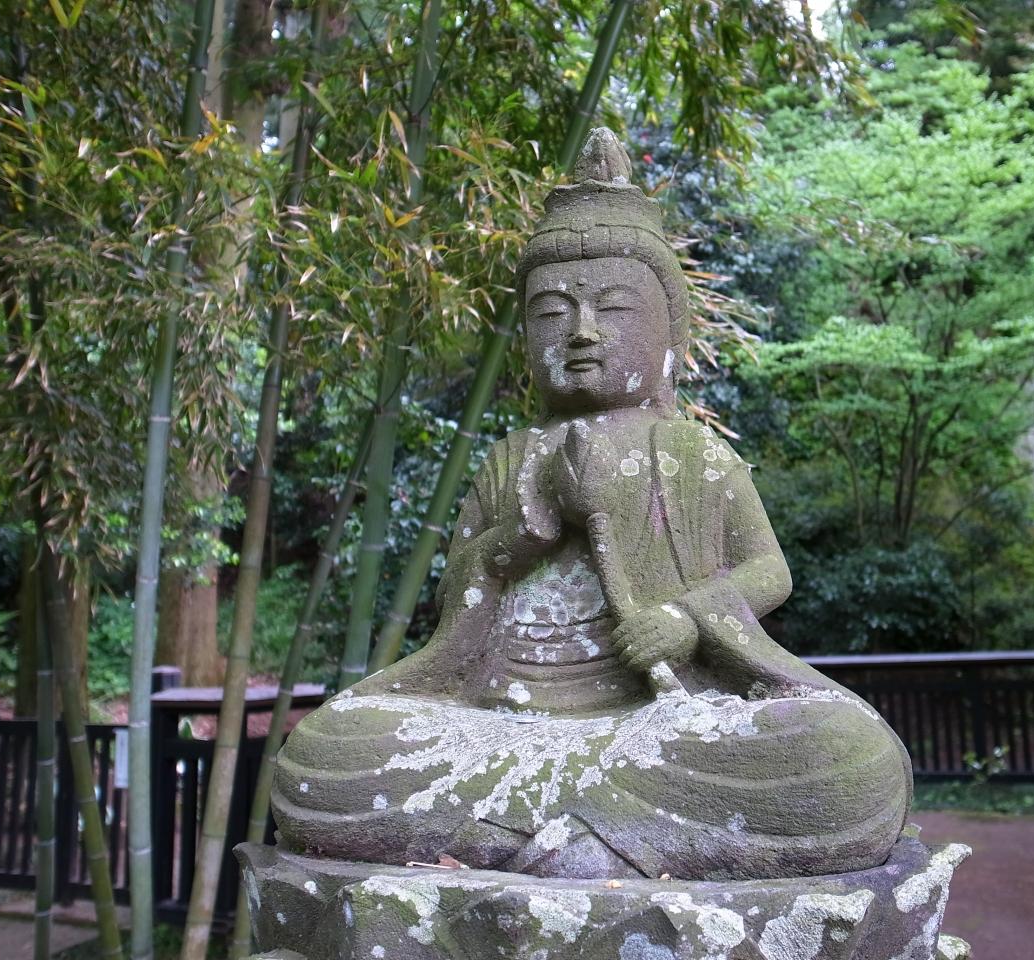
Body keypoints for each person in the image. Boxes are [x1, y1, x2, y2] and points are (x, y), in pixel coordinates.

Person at [271, 129, 912, 882]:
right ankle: (600, 836)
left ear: (667, 332)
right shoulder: (510, 458)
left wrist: (684, 619)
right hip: (500, 724)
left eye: (613, 308)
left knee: (843, 757)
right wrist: (525, 535)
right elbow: (459, 607)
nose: (581, 332)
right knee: (324, 754)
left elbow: (769, 572)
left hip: (660, 725)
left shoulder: (693, 453)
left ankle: (529, 833)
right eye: (551, 314)